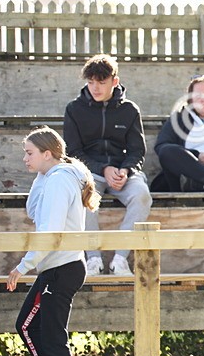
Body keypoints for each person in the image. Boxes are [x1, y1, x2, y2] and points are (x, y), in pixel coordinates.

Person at [6, 126, 101, 356]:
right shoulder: (53, 177)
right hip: (57, 265)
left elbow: (51, 230)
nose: (25, 158)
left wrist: (24, 266)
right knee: (28, 326)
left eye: (30, 153)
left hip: (62, 266)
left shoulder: (60, 181)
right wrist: (41, 172)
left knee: (50, 334)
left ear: (48, 153)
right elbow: (33, 211)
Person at [63, 54, 152, 276]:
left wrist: (126, 170)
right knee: (83, 194)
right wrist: (103, 168)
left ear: (114, 81)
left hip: (124, 171)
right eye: (91, 82)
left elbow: (137, 150)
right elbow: (73, 152)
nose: (95, 88)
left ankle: (120, 259)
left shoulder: (130, 110)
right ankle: (92, 259)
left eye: (101, 82)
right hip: (90, 171)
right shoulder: (74, 109)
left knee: (142, 196)